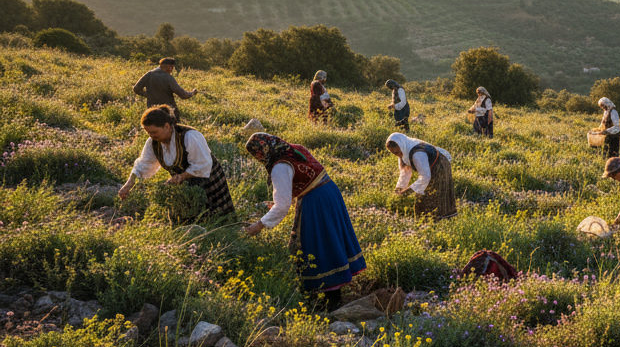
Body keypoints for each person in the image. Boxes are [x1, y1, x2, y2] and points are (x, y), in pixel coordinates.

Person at [241, 132, 365, 310]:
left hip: (316, 202)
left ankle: (331, 300)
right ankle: (333, 294)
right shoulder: (294, 150)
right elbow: (304, 179)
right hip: (329, 192)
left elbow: (282, 205)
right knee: (331, 239)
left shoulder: (279, 166)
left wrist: (258, 225)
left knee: (317, 245)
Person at [117, 105, 234, 220]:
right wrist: (128, 185)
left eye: (154, 132)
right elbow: (143, 164)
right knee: (188, 217)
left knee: (218, 216)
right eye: (148, 132)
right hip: (185, 184)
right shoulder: (153, 142)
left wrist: (181, 176)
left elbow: (203, 164)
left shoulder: (189, 136)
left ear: (167, 126)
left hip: (209, 180)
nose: (151, 136)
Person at [386, 132, 457, 220]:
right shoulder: (403, 151)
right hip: (429, 168)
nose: (396, 154)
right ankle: (424, 221)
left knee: (436, 195)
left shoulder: (417, 154)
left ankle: (441, 221)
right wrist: (399, 189)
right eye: (393, 153)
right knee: (421, 197)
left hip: (440, 164)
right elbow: (405, 172)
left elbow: (425, 176)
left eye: (397, 151)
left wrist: (408, 190)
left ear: (401, 145)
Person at [132, 57, 197, 122]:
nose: (172, 69)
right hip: (168, 111)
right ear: (162, 66)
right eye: (171, 66)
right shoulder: (169, 78)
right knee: (173, 129)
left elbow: (136, 89)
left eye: (173, 67)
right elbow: (183, 95)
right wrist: (192, 93)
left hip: (152, 110)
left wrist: (149, 95)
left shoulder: (149, 75)